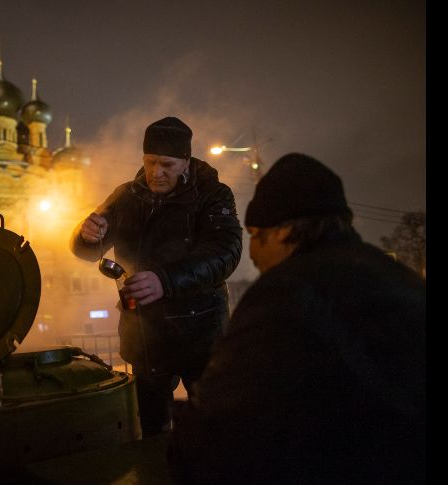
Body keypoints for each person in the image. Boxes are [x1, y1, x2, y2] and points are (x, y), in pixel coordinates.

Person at [167, 153, 426, 484]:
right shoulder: (402, 279)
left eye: (256, 235)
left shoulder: (285, 294)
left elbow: (219, 425)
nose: (254, 254)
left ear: (283, 231)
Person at [70, 116, 243, 436]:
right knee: (151, 427)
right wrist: (87, 236)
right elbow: (87, 251)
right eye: (150, 162)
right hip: (145, 333)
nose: (156, 172)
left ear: (186, 162)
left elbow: (225, 254)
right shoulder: (125, 196)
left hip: (200, 332)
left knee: (211, 425)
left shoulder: (213, 195)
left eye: (167, 164)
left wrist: (164, 280)